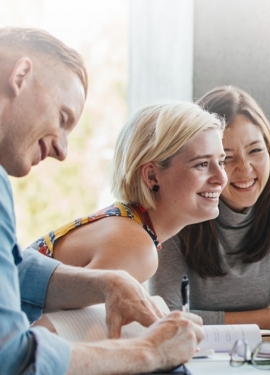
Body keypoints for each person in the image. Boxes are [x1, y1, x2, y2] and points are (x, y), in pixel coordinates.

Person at [0, 27, 205, 374]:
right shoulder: (136, 245)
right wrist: (147, 352)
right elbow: (12, 357)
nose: (63, 151)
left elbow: (13, 270)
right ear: (20, 76)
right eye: (63, 118)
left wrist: (108, 282)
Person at [150, 86, 270, 329]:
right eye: (226, 158)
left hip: (269, 353)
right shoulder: (179, 210)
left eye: (255, 150)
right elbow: (166, 318)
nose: (245, 169)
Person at [26, 101, 228, 284]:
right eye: (202, 164)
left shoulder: (127, 224)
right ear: (152, 176)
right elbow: (55, 323)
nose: (221, 178)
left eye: (221, 162)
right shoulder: (135, 248)